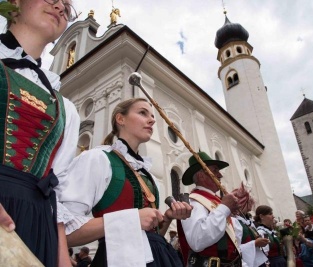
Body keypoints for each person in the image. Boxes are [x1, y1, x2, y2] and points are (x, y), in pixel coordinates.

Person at [56, 98, 193, 267]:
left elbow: (151, 236)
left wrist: (168, 218)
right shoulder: (98, 159)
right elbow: (65, 232)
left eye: (152, 115)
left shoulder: (148, 175)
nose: (152, 120)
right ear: (120, 119)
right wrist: (131, 219)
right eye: (142, 113)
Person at [0, 0, 80, 266]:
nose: (60, 7)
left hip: (38, 223)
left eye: (67, 7)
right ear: (14, 2)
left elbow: (56, 187)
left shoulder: (64, 107)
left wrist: (61, 257)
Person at [178, 151, 242, 267]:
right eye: (215, 170)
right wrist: (224, 208)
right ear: (201, 175)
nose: (220, 175)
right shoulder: (194, 201)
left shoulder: (217, 202)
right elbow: (197, 240)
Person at [232, 183, 269, 267]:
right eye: (249, 203)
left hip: (256, 261)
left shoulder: (247, 221)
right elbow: (234, 250)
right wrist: (255, 243)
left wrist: (261, 242)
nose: (251, 207)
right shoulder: (234, 221)